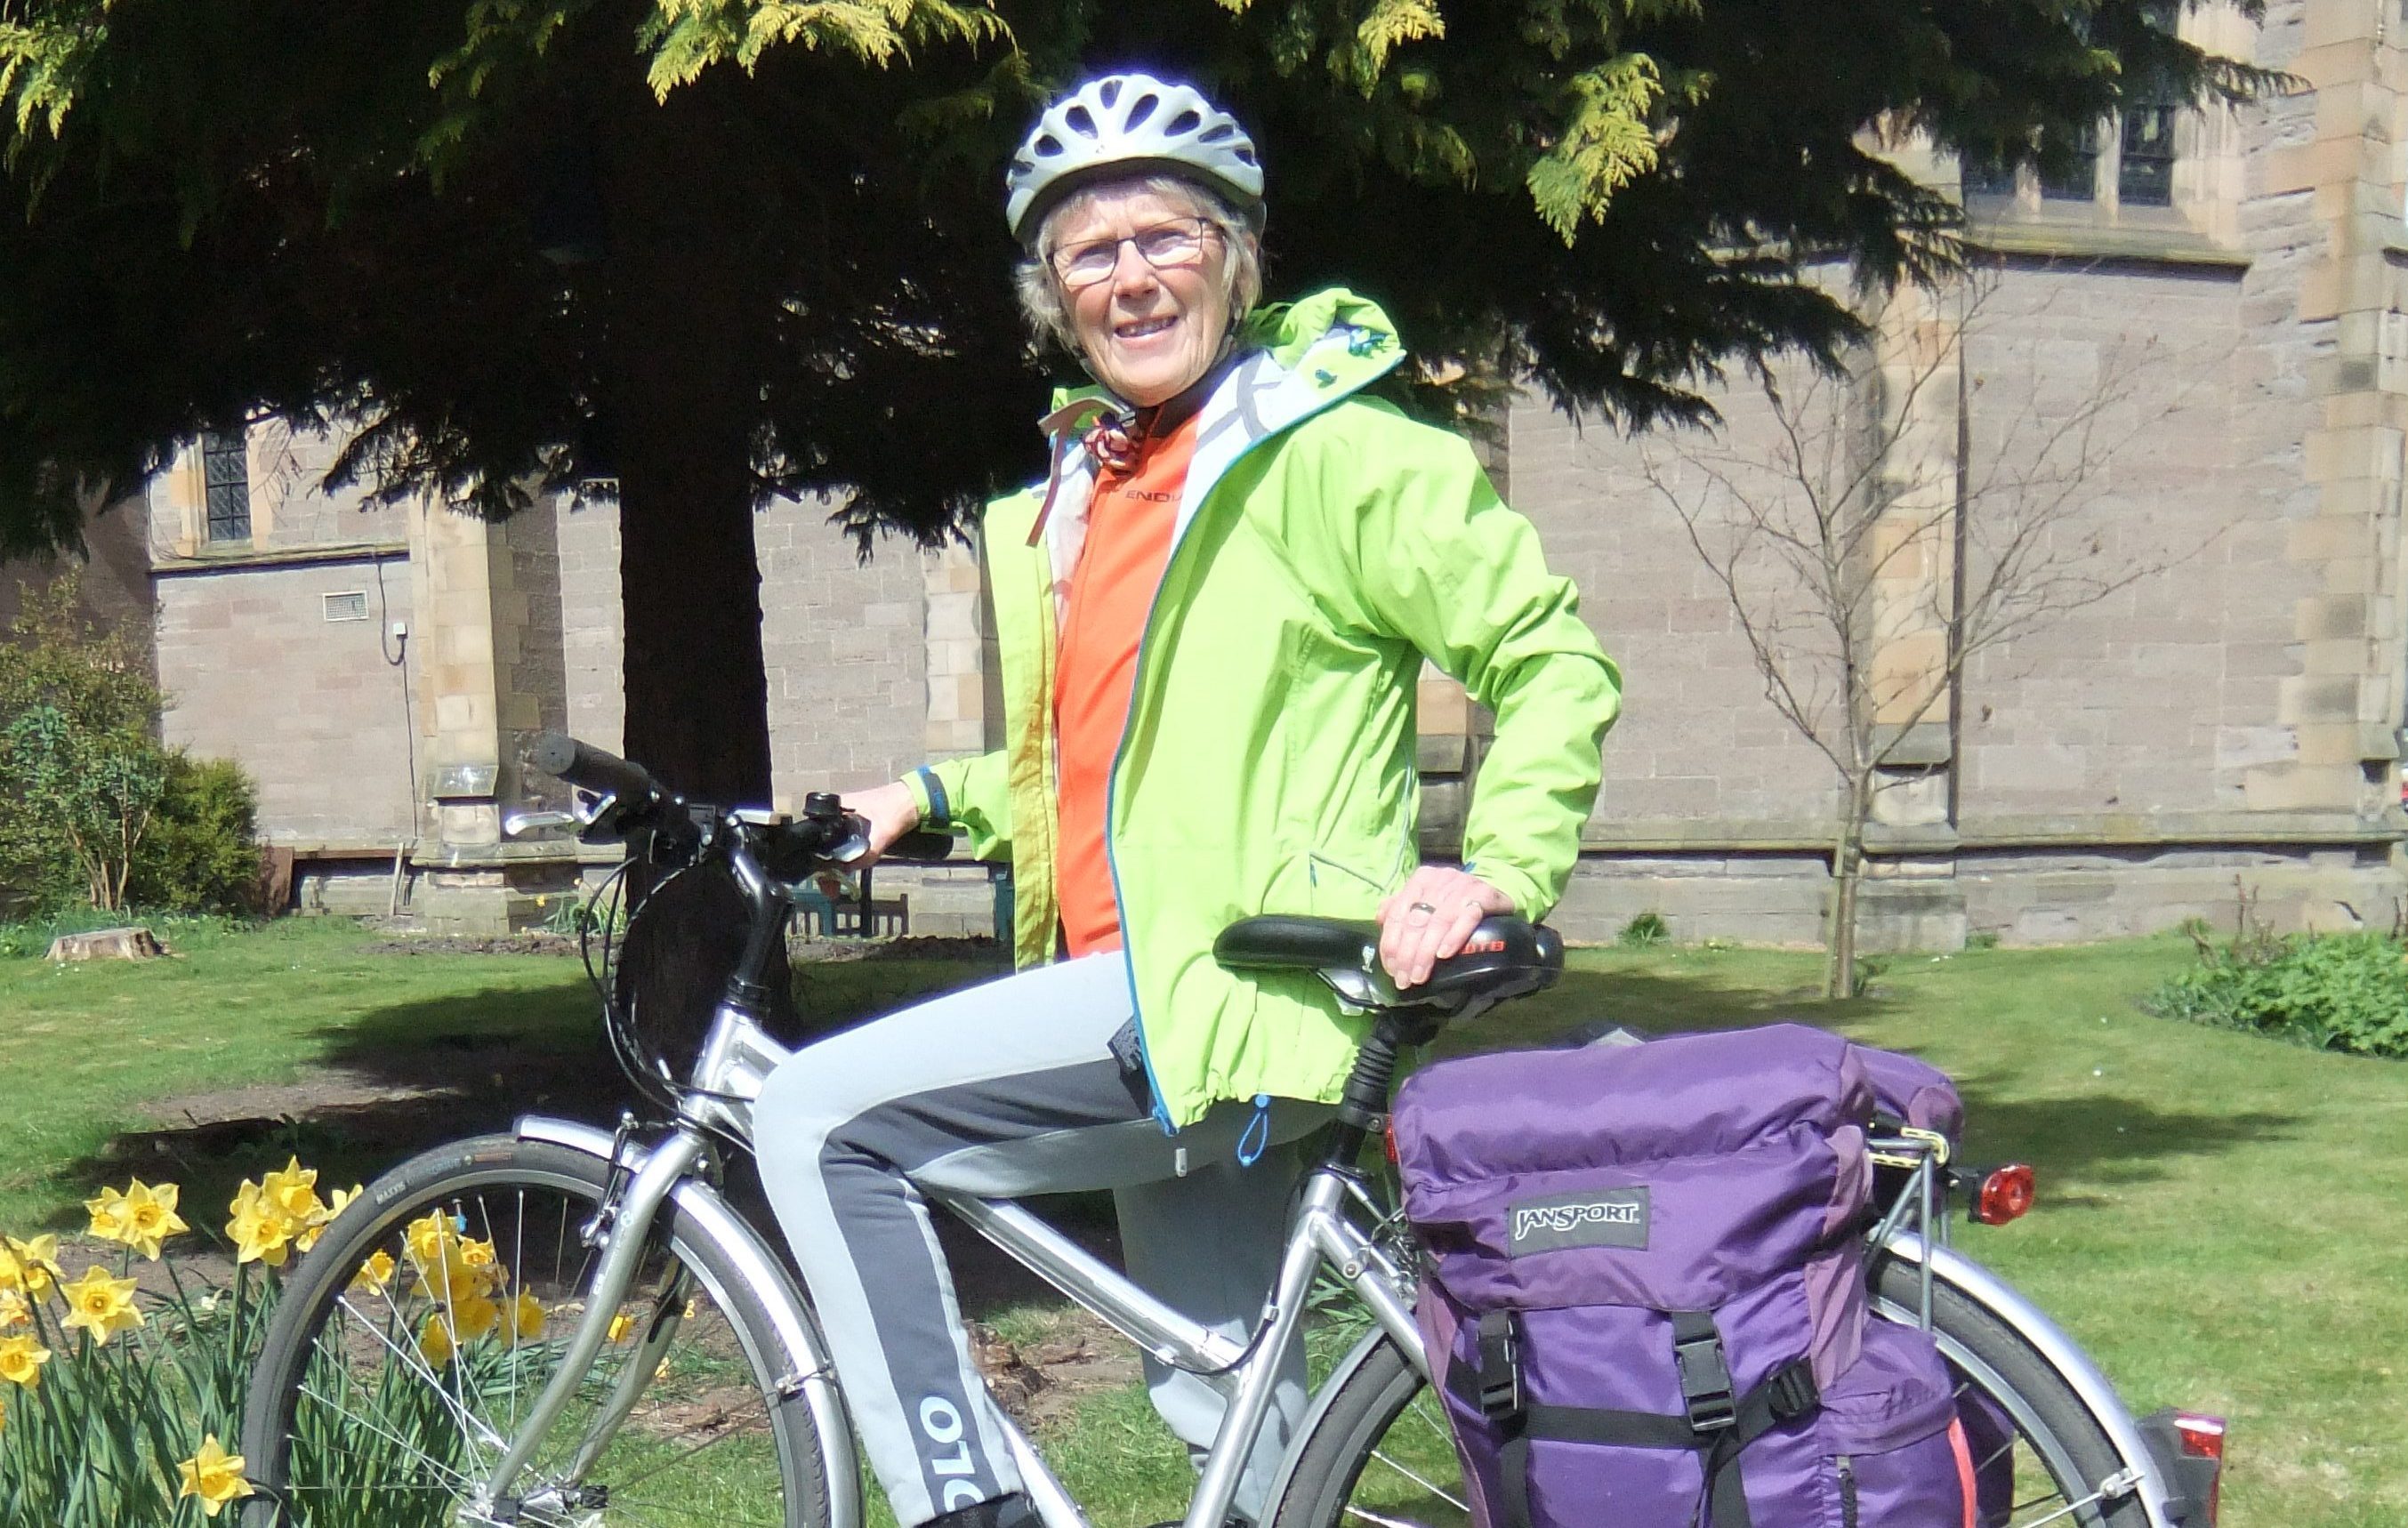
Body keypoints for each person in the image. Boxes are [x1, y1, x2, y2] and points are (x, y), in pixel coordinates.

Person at [752, 71, 1622, 1528]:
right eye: (1091, 254)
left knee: (818, 1119)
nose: (1134, 278)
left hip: (1224, 994)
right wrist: (921, 797)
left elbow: (1553, 659)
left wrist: (1493, 869)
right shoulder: (1091, 491)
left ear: (1235, 255)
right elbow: (1124, 777)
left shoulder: (1334, 453)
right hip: (1152, 989)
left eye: (1168, 237)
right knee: (1234, 1424)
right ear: (1053, 293)